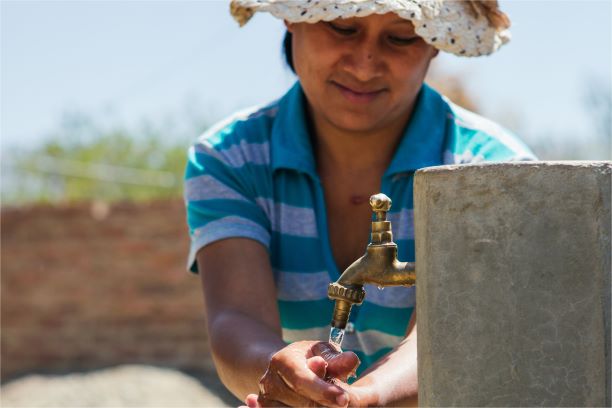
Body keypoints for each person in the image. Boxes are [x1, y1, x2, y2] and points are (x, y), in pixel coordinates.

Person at [184, 1, 535, 406]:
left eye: (400, 37)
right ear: (292, 18)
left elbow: (454, 334)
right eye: (341, 27)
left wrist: (363, 397)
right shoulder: (230, 159)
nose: (366, 65)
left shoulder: (495, 173)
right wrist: (279, 372)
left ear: (435, 43)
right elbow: (236, 318)